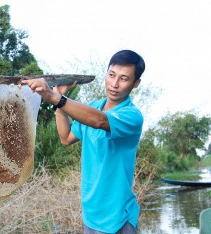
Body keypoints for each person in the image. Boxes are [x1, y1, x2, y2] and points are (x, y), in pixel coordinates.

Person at [22, 50, 145, 234]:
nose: (114, 84)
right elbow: (66, 138)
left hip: (117, 219)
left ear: (136, 83)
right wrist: (59, 102)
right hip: (90, 215)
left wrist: (54, 97)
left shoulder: (132, 116)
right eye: (111, 75)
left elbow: (100, 121)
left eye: (124, 79)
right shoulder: (94, 106)